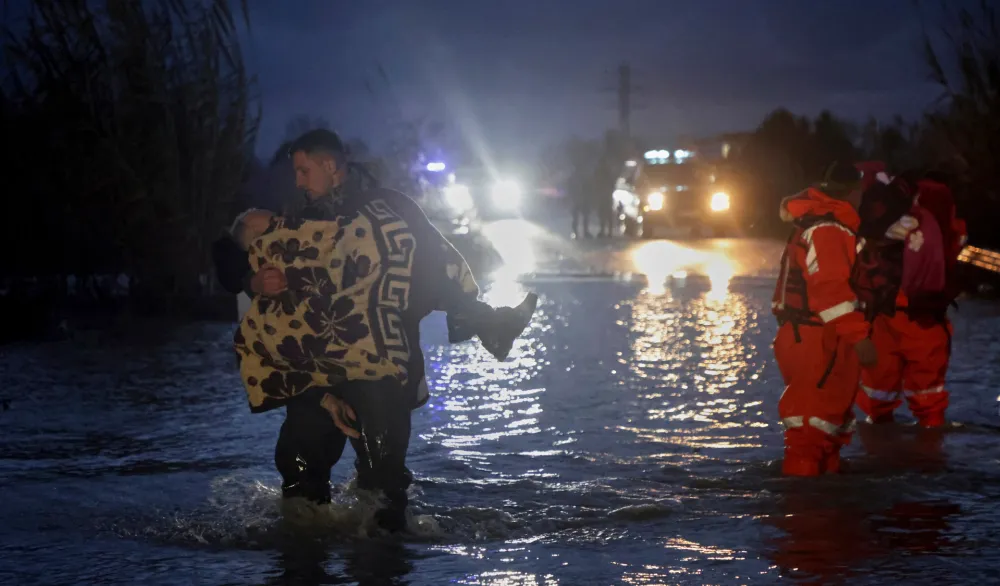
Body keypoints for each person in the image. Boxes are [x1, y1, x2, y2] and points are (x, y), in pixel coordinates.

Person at [222, 128, 537, 532]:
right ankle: (301, 559)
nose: (298, 181)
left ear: (330, 165)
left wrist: (478, 316)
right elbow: (230, 254)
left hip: (381, 366)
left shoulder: (391, 210)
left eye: (303, 171)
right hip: (316, 375)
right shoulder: (296, 219)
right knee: (300, 473)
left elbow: (437, 265)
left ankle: (386, 558)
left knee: (383, 486)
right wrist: (252, 283)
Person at [771, 161, 877, 477]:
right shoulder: (829, 229)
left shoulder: (816, 224)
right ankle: (803, 510)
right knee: (812, 431)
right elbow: (830, 291)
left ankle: (824, 507)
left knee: (827, 429)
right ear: (854, 192)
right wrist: (860, 339)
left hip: (810, 335)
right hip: (818, 339)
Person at [854, 163, 968, 428]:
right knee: (928, 399)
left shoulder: (889, 217)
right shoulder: (944, 222)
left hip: (883, 311)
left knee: (877, 396)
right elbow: (954, 260)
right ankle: (929, 459)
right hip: (925, 315)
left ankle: (880, 453)